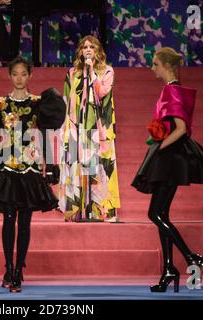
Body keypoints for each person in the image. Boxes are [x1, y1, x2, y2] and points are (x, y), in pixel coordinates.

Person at [0, 56, 65, 292]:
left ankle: (19, 271)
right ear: (10, 76)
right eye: (16, 74)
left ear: (30, 75)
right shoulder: (1, 104)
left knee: (25, 222)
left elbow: (43, 136)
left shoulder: (38, 103)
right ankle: (9, 267)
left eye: (24, 74)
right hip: (7, 166)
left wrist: (51, 165)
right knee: (8, 220)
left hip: (30, 168)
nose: (20, 78)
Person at [131, 47, 203, 292]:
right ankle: (169, 267)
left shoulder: (171, 91)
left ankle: (191, 257)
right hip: (170, 156)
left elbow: (180, 129)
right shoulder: (175, 89)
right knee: (161, 214)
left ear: (166, 66)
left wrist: (159, 149)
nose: (152, 68)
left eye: (155, 64)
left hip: (170, 158)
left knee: (155, 215)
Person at [58, 35, 120, 222]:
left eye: (91, 47)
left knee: (99, 166)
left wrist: (92, 72)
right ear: (80, 51)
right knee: (75, 165)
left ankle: (98, 211)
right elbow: (66, 101)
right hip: (77, 126)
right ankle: (74, 210)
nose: (87, 50)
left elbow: (101, 93)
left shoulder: (107, 71)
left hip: (99, 127)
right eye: (84, 47)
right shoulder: (72, 73)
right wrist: (64, 127)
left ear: (97, 51)